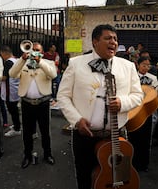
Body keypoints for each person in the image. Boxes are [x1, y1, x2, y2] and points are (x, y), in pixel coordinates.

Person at [57, 24, 143, 189]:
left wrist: (122, 103)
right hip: (85, 137)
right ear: (95, 41)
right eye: (108, 38)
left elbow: (138, 96)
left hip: (118, 137)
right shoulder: (75, 64)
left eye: (115, 39)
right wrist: (76, 120)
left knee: (120, 179)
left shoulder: (128, 66)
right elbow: (63, 96)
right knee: (85, 178)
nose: (113, 42)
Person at [9, 42, 57, 168]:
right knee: (27, 132)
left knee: (45, 131)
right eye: (32, 50)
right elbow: (12, 74)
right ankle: (27, 155)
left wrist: (40, 62)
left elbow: (53, 75)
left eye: (37, 50)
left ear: (41, 52)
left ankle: (48, 154)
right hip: (27, 103)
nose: (33, 52)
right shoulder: (23, 63)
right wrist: (21, 59)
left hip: (43, 103)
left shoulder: (48, 63)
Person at [128, 56, 158, 172]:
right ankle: (132, 163)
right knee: (133, 138)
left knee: (145, 139)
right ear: (138, 65)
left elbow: (155, 96)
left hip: (147, 111)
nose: (146, 67)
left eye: (148, 65)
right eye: (144, 65)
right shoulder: (132, 77)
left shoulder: (153, 78)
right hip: (134, 111)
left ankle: (144, 164)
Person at [0, 46, 21, 137]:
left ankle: (17, 128)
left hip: (10, 90)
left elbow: (4, 77)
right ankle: (17, 125)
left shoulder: (8, 62)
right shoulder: (17, 60)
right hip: (16, 87)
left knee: (12, 110)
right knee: (15, 110)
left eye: (2, 55)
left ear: (5, 53)